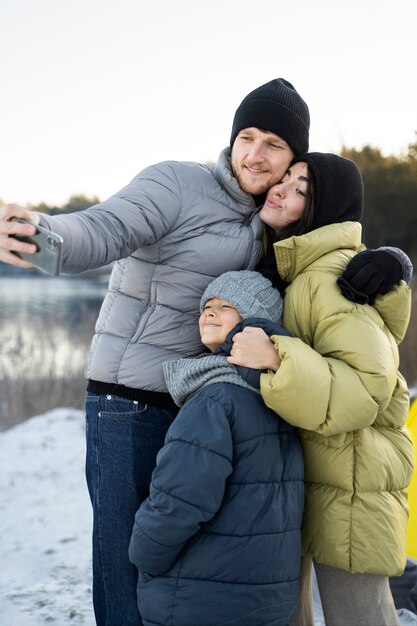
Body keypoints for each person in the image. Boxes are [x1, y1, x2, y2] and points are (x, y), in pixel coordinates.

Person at [0, 81, 408, 625]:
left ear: (294, 161)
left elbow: (330, 249)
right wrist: (43, 235)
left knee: (185, 569)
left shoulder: (273, 225)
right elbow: (104, 228)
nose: (255, 155)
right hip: (131, 402)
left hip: (204, 405)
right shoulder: (178, 183)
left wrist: (393, 262)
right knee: (125, 564)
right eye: (247, 137)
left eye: (274, 147)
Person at [228, 152, 414, 626]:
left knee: (360, 616)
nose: (281, 188)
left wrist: (277, 358)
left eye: (301, 189)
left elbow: (367, 391)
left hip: (352, 484)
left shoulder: (328, 279)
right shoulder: (295, 270)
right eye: (285, 178)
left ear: (323, 210)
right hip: (314, 476)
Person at [128, 270, 304, 626]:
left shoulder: (216, 398)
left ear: (255, 323)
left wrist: (143, 554)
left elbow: (179, 499)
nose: (209, 312)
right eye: (207, 305)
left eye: (226, 307)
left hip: (202, 597)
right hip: (266, 595)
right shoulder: (282, 396)